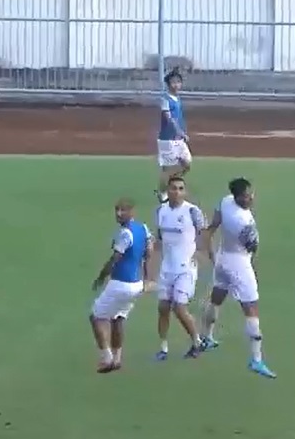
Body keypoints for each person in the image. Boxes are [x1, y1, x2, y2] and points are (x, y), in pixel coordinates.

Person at [201, 178, 276, 378]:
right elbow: (253, 248)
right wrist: (254, 267)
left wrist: (210, 250)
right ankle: (256, 359)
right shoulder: (243, 221)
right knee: (251, 308)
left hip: (223, 256)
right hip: (239, 263)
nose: (250, 198)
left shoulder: (225, 201)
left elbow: (213, 224)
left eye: (251, 193)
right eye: (246, 195)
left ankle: (206, 337)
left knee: (217, 297)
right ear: (237, 197)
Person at [89, 199, 152, 373]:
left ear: (132, 211)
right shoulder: (143, 228)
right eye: (117, 210)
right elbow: (149, 251)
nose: (118, 214)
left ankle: (107, 357)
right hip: (136, 285)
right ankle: (117, 359)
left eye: (123, 210)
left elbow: (114, 259)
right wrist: (147, 278)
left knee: (96, 317)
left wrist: (101, 277)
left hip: (120, 284)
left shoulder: (125, 234)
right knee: (117, 318)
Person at [154, 174, 209, 361]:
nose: (176, 192)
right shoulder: (161, 211)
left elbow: (204, 233)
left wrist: (200, 252)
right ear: (167, 191)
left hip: (186, 267)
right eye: (173, 188)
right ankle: (163, 348)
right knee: (163, 307)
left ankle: (197, 341)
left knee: (179, 307)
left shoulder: (192, 211)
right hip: (167, 267)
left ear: (185, 192)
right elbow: (159, 237)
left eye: (180, 188)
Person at [155, 69, 191, 204]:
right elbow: (169, 119)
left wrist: (182, 132)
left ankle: (171, 185)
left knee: (186, 164)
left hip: (178, 139)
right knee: (168, 169)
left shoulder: (178, 99)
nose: (176, 85)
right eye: (173, 82)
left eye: (178, 82)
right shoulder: (165, 100)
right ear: (168, 84)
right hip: (167, 140)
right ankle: (164, 192)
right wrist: (180, 132)